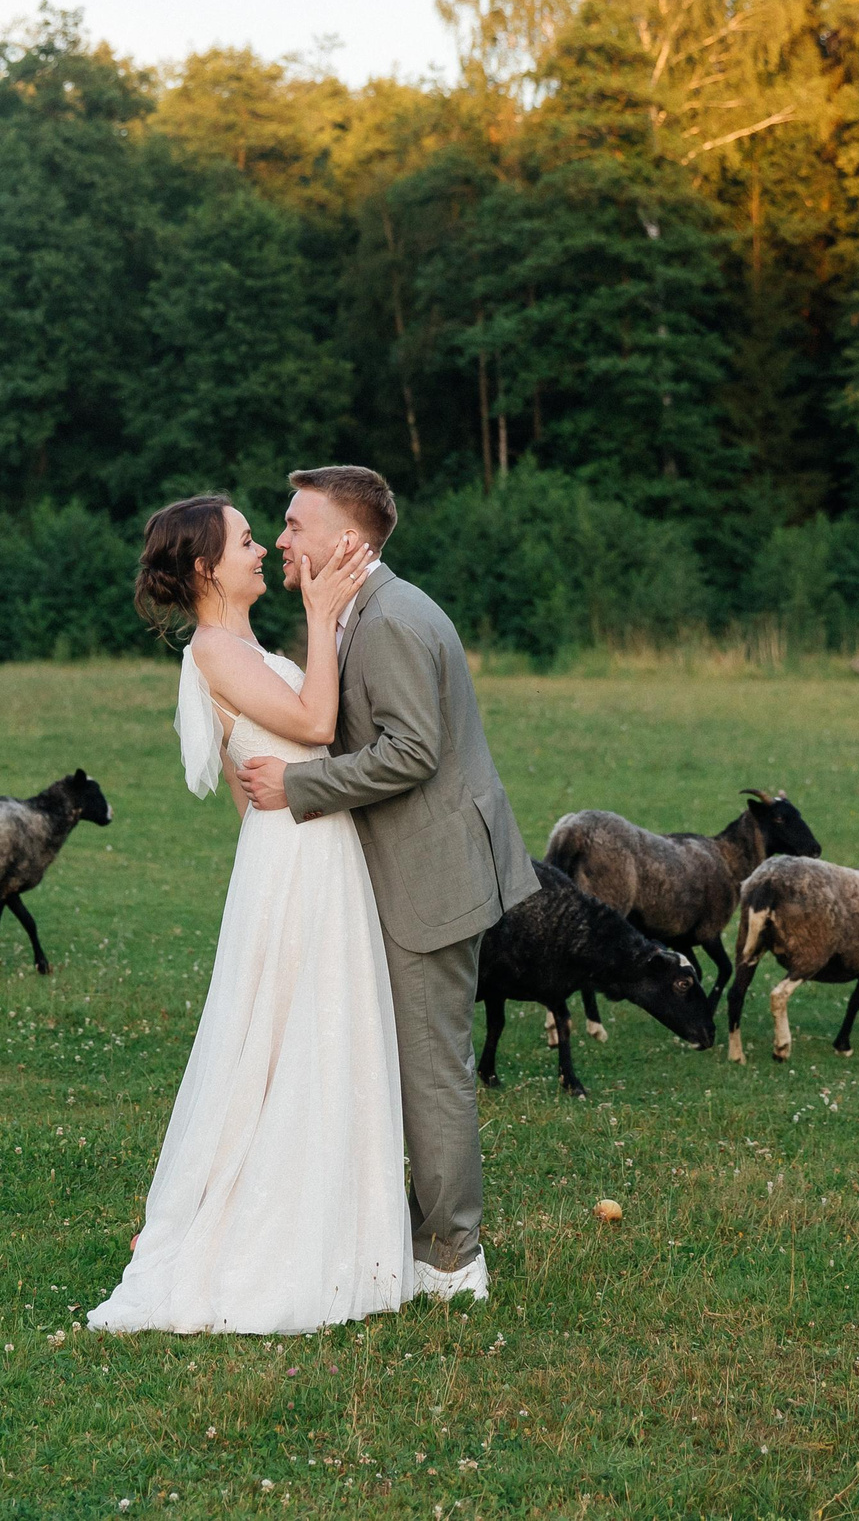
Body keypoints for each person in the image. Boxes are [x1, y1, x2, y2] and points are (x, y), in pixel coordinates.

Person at [89, 492, 400, 1335]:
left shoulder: (237, 648)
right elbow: (317, 720)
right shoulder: (215, 649)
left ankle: (337, 1222)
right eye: (247, 540)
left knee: (306, 1033)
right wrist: (323, 609)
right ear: (204, 567)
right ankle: (250, 1232)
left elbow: (250, 786)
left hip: (295, 854)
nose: (263, 547)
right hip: (297, 857)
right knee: (285, 1038)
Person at [235, 465, 539, 1304]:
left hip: (432, 879)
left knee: (432, 1068)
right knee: (410, 1063)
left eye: (295, 525)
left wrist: (298, 789)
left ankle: (452, 1260)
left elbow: (412, 751)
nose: (284, 538)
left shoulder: (391, 620)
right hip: (414, 870)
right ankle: (414, 1230)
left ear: (347, 540)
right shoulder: (360, 612)